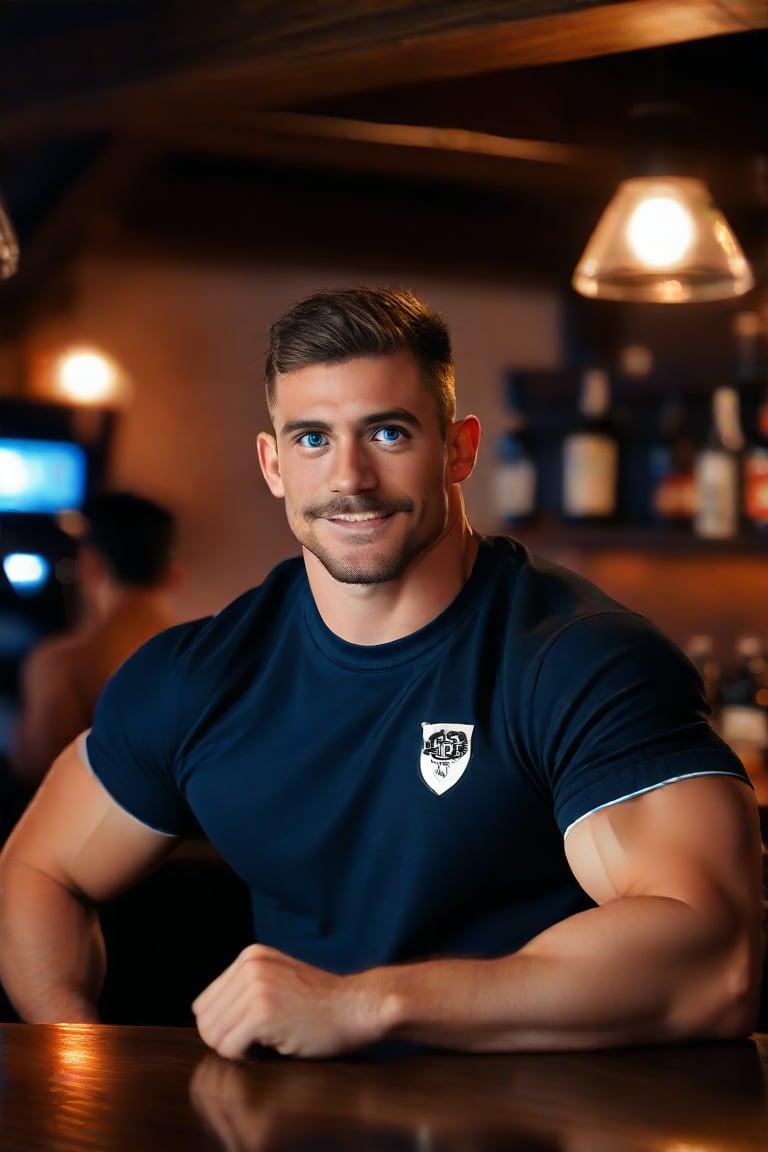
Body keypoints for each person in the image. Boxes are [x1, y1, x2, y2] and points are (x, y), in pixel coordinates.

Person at [0, 287, 762, 1059]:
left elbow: (713, 955)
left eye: (388, 433)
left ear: (459, 449)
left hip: (543, 1130)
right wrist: (78, 1068)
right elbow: (36, 868)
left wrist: (370, 1004)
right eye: (311, 440)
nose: (350, 477)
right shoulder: (198, 677)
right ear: (272, 463)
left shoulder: (580, 660)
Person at [8, 490, 180, 791]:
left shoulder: (60, 663)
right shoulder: (202, 652)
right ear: (173, 574)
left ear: (90, 565)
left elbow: (37, 775)